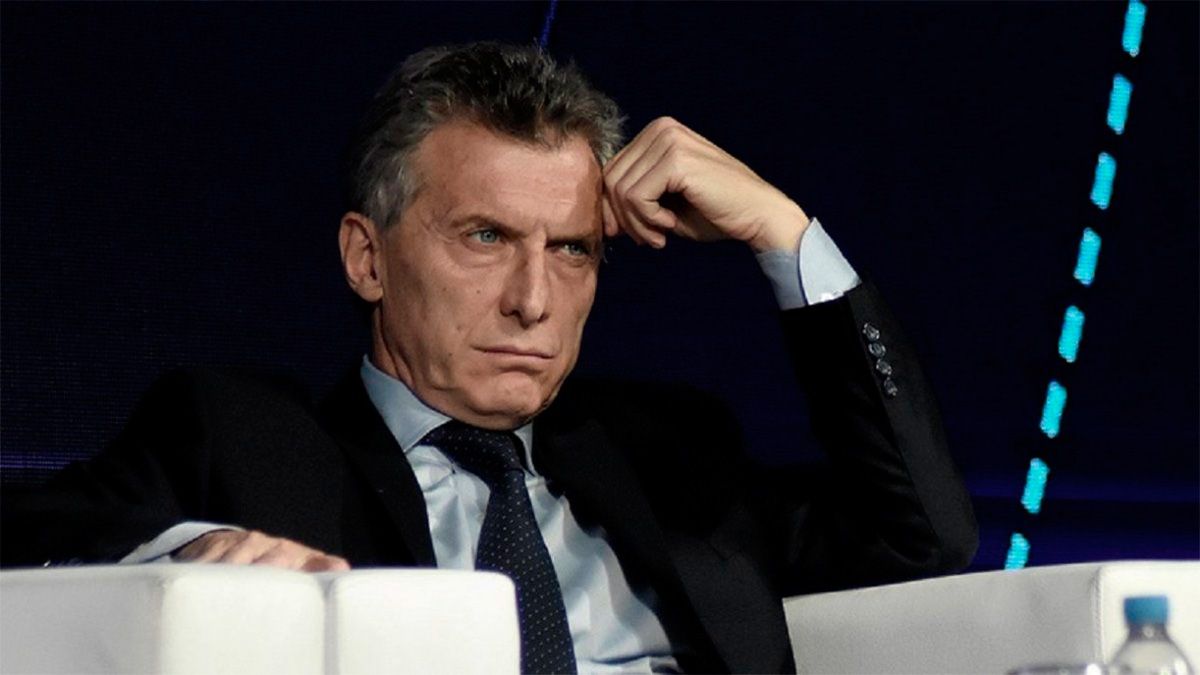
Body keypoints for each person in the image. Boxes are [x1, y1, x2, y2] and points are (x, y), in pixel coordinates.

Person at [5, 42, 977, 673]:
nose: (532, 299)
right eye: (485, 237)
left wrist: (782, 230)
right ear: (367, 257)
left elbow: (922, 536)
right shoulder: (243, 440)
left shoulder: (672, 453)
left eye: (572, 249)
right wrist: (181, 557)